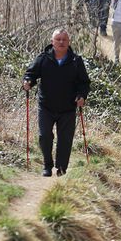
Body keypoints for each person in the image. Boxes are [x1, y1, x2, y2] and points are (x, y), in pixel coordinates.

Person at [23, 29, 90, 177]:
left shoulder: (76, 61)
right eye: (58, 39)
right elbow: (31, 74)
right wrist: (27, 82)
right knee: (44, 136)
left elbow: (84, 83)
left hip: (68, 108)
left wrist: (81, 96)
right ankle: (47, 165)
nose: (61, 42)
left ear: (69, 42)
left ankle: (61, 168)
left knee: (65, 140)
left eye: (64, 40)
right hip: (46, 106)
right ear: (52, 42)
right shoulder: (43, 58)